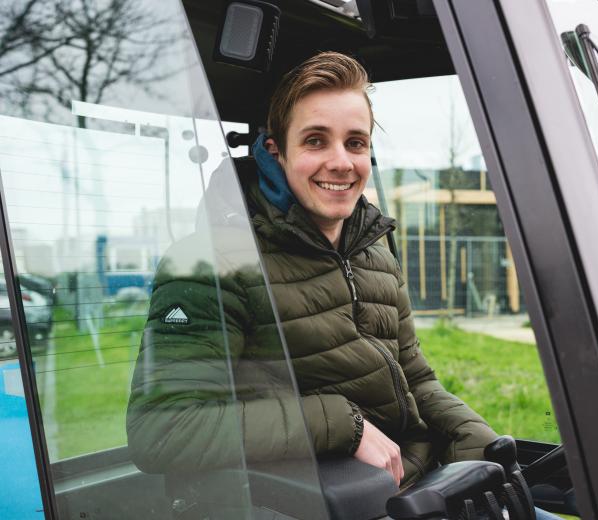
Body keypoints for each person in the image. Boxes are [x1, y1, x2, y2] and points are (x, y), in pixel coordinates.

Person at [126, 51, 563, 519]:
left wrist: (476, 439)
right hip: (338, 505)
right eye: (316, 140)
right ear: (276, 152)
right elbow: (162, 431)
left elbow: (414, 376)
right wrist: (342, 424)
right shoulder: (209, 265)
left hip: (420, 488)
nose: (341, 162)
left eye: (355, 143)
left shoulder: (373, 252)